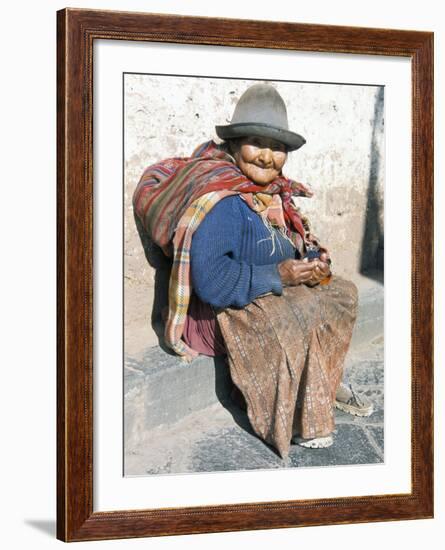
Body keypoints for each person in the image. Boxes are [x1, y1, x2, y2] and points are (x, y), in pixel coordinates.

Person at [133, 83, 373, 459]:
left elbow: (290, 240)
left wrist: (311, 261)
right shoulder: (223, 201)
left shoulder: (274, 193)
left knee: (341, 293)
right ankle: (290, 413)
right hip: (219, 313)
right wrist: (281, 276)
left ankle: (318, 382)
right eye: (256, 143)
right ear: (234, 145)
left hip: (264, 290)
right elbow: (212, 283)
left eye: (277, 147)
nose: (267, 156)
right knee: (292, 311)